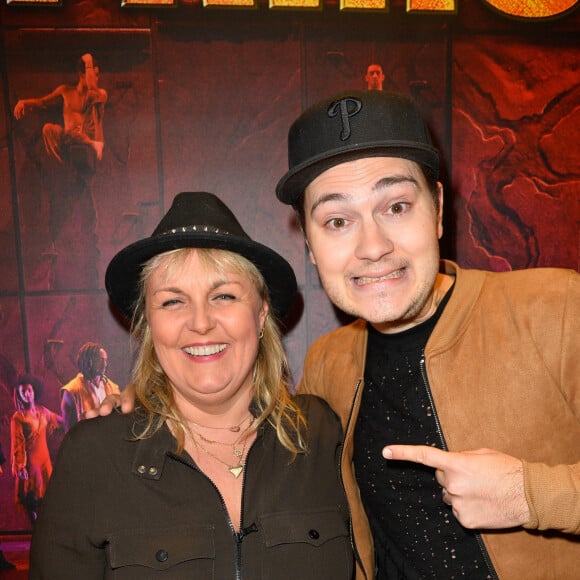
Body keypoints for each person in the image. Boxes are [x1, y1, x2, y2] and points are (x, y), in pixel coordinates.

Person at [274, 90, 580, 578]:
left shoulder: (558, 309)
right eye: (337, 221)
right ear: (309, 246)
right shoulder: (328, 362)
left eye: (396, 207)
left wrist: (530, 494)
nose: (372, 247)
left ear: (437, 209)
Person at [29, 192, 354, 578]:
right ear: (149, 322)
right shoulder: (94, 456)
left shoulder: (321, 434)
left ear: (261, 311)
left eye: (224, 295)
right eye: (172, 301)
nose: (201, 322)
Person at [13, 52, 108, 170]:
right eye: (94, 74)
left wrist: (88, 62)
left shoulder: (99, 95)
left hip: (90, 142)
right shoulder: (66, 91)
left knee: (77, 135)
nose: (96, 79)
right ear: (82, 75)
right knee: (48, 128)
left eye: (97, 75)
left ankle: (91, 144)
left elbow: (92, 87)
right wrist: (24, 102)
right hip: (69, 139)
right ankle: (64, 164)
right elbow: (43, 102)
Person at [10, 374, 64, 526]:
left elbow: (60, 420)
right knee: (32, 501)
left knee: (47, 501)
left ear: (34, 391)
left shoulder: (43, 412)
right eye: (23, 392)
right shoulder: (18, 417)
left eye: (29, 390)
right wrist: (20, 465)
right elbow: (17, 442)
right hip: (31, 465)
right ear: (19, 395)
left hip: (45, 462)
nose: (27, 394)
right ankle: (37, 532)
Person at [60, 341, 120, 432]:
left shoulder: (113, 388)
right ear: (87, 361)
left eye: (105, 360)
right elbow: (69, 433)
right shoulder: (71, 392)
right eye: (99, 360)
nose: (104, 364)